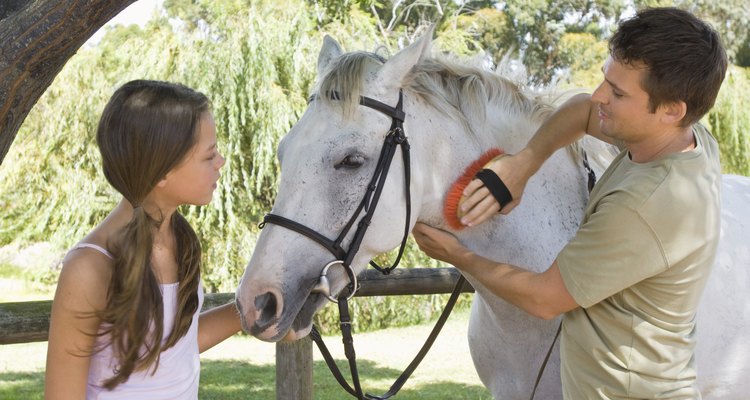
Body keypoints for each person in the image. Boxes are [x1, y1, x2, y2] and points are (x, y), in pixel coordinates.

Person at [412, 7, 727, 399]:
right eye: (605, 80)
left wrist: (460, 256)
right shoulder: (684, 141)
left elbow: (545, 298)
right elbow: (582, 109)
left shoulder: (646, 205)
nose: (600, 96)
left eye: (618, 93)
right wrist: (523, 164)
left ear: (671, 110)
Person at [44, 80, 243, 399]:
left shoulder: (182, 242)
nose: (221, 161)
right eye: (209, 156)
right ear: (162, 171)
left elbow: (172, 351)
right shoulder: (91, 267)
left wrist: (251, 312)